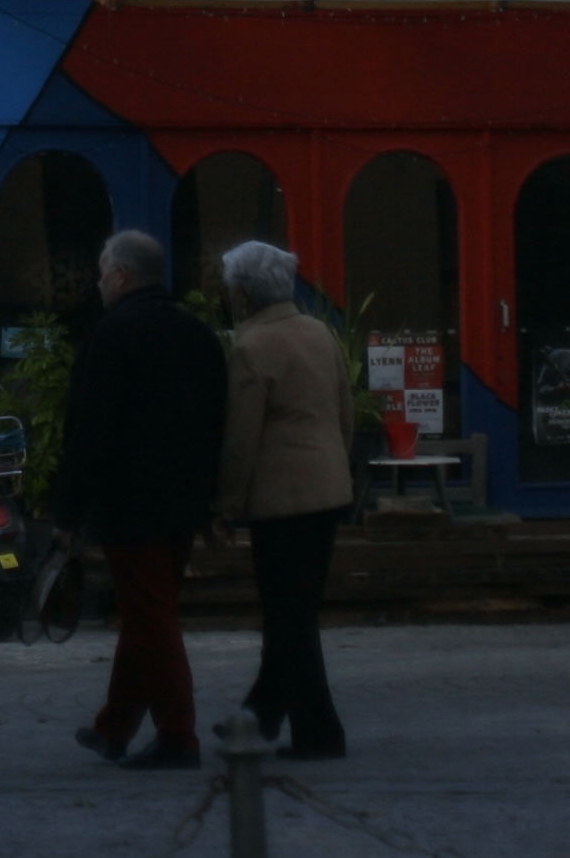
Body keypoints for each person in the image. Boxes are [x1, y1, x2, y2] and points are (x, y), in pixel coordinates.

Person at [53, 229, 227, 770]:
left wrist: (67, 513)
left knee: (151, 619)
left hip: (131, 503)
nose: (100, 280)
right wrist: (207, 501)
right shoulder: (199, 335)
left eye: (104, 270)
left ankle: (179, 737)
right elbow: (216, 423)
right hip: (182, 502)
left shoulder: (114, 335)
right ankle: (115, 726)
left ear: (122, 275)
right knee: (145, 613)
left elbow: (90, 430)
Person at [215, 239, 354, 760]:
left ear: (244, 295)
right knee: (296, 611)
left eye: (230, 288)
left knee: (288, 619)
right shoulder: (319, 332)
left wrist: (227, 504)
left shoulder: (252, 348)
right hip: (325, 489)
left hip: (281, 498)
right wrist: (339, 468)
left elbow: (241, 437)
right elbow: (344, 411)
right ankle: (260, 715)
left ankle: (320, 732)